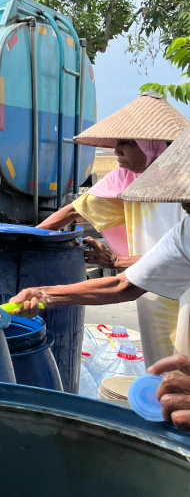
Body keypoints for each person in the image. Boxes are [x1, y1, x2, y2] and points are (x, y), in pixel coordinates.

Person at [10, 124, 190, 432]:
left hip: (178, 298)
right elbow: (124, 284)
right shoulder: (186, 231)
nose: (183, 205)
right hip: (159, 289)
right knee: (173, 383)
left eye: (126, 142)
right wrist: (44, 294)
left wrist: (118, 260)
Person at [36, 92, 189, 366]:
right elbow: (75, 210)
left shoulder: (182, 188)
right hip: (146, 283)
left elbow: (172, 261)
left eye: (126, 142)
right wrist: (31, 239)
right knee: (158, 366)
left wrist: (120, 261)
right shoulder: (127, 177)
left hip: (180, 288)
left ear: (150, 144)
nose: (116, 150)